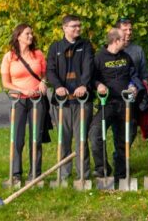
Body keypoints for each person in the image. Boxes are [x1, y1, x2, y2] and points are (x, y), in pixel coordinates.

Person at [46, 14, 95, 181]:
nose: (78, 29)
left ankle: (83, 176)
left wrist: (84, 85)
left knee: (81, 139)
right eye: (74, 26)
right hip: (62, 103)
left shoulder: (86, 45)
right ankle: (64, 175)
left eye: (79, 26)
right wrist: (58, 87)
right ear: (64, 28)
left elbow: (89, 67)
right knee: (63, 139)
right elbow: (50, 71)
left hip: (82, 101)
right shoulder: (56, 47)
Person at [0, 23, 49, 182]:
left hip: (37, 101)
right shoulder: (9, 57)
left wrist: (43, 82)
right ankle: (15, 174)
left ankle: (35, 174)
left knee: (36, 138)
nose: (31, 36)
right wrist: (23, 91)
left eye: (31, 34)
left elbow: (45, 75)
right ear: (18, 36)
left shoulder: (38, 54)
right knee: (17, 139)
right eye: (27, 33)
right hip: (18, 102)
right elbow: (5, 83)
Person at [89, 28, 140, 180]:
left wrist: (133, 86)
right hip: (108, 104)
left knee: (126, 136)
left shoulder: (126, 57)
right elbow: (91, 78)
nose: (127, 40)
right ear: (116, 40)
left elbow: (134, 76)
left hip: (125, 103)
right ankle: (102, 168)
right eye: (124, 38)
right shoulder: (98, 57)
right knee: (95, 133)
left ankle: (121, 172)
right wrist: (98, 85)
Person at [115, 18, 148, 144]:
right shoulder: (112, 48)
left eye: (130, 29)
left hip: (133, 97)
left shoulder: (137, 50)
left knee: (131, 130)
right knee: (118, 130)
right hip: (116, 96)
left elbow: (144, 74)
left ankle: (123, 159)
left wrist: (143, 90)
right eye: (125, 30)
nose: (129, 32)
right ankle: (118, 159)